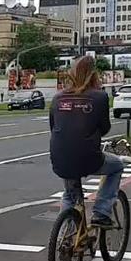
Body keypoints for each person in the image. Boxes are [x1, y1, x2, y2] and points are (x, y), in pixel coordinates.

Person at [49, 56, 124, 229]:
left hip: (60, 158)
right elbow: (105, 128)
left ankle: (67, 237)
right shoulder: (100, 97)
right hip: (89, 158)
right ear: (93, 74)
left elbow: (53, 127)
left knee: (70, 196)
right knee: (117, 166)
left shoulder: (58, 98)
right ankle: (101, 212)